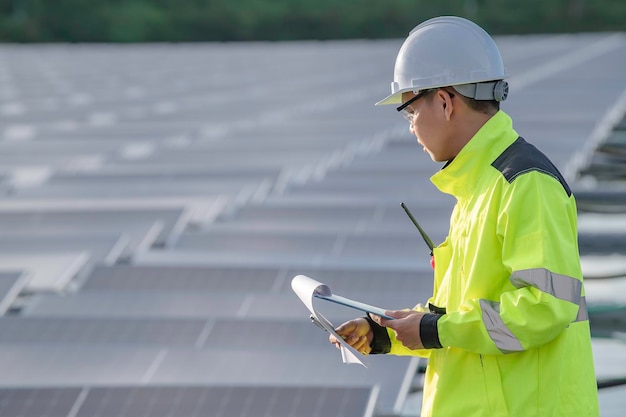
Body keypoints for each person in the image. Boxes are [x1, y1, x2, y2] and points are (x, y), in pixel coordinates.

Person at [329, 16, 599, 417]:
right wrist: (387, 333)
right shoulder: (480, 188)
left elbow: (545, 308)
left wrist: (434, 329)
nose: (411, 128)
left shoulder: (524, 183)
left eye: (409, 111)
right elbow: (460, 316)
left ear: (444, 101)